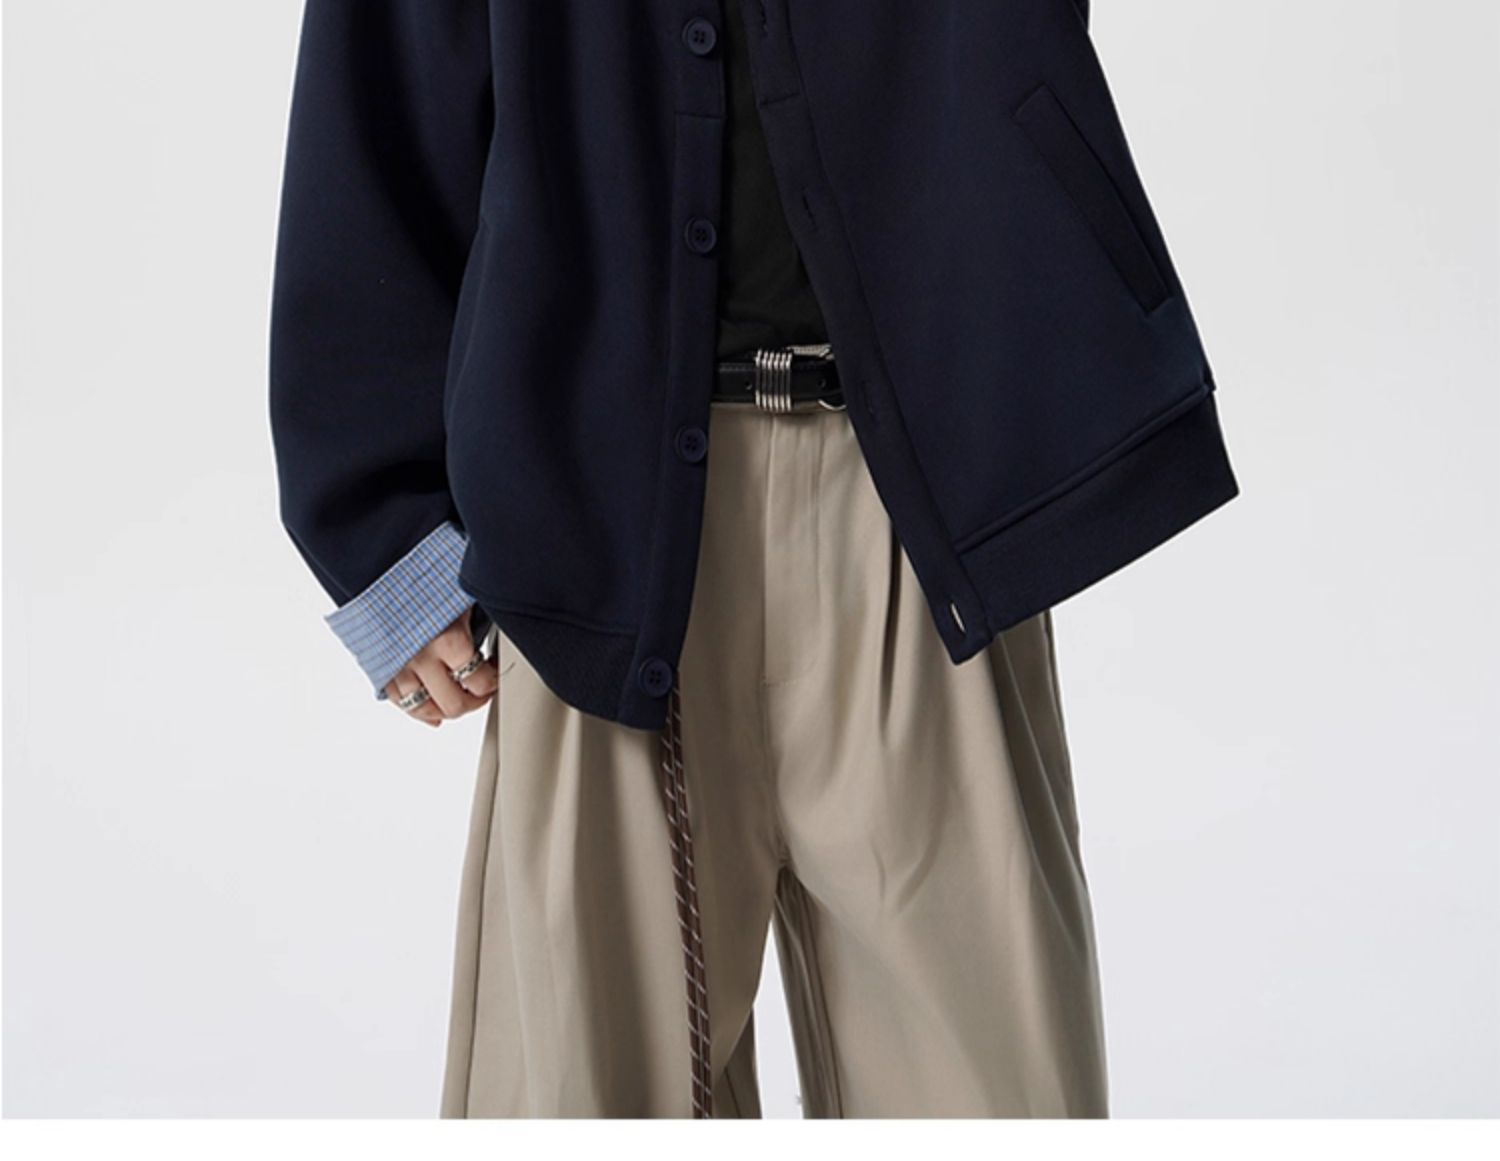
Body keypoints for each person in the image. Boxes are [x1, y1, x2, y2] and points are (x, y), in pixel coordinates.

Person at [269, 0, 1238, 1118]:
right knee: (580, 1098)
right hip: (598, 521)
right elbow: (377, 82)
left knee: (991, 1095)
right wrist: (386, 532)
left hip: (930, 498)